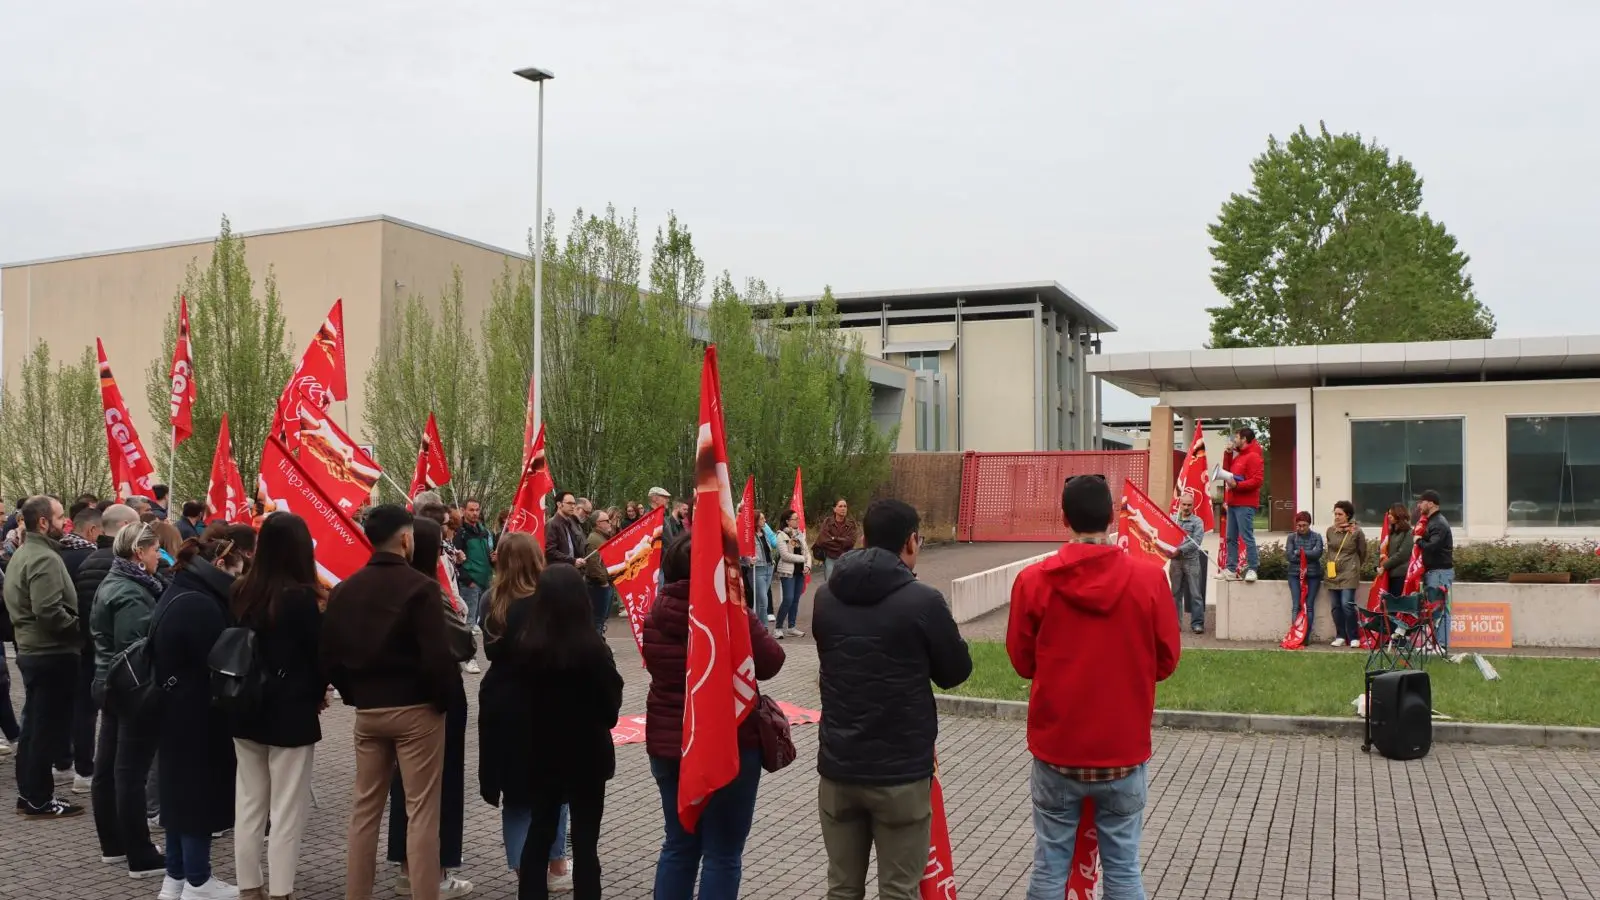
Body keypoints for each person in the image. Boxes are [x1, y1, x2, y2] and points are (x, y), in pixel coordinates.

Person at [1006, 474, 1181, 900]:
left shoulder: (1033, 582)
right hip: (1123, 751)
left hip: (1057, 750)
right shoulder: (1149, 580)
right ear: (1111, 517)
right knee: (1123, 870)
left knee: (1050, 866)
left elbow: (1022, 662)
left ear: (1063, 517)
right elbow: (1166, 661)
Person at [813, 499, 970, 900]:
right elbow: (955, 673)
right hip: (900, 774)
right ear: (912, 542)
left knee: (842, 889)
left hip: (839, 767)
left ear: (863, 539)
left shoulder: (825, 599)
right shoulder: (923, 602)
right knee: (900, 891)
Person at [322, 505, 462, 900]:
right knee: (421, 813)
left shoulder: (346, 589)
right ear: (405, 538)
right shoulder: (420, 588)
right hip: (416, 710)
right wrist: (441, 700)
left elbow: (329, 654)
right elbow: (437, 655)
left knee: (365, 811)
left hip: (369, 711)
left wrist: (355, 694)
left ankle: (357, 894)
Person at [644, 533, 785, 900]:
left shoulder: (656, 614)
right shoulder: (732, 614)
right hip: (730, 744)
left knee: (678, 844)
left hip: (669, 743)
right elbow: (771, 661)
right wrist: (745, 615)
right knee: (722, 853)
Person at [481, 564, 622, 900]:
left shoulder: (526, 650)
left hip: (540, 754)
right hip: (588, 756)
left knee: (539, 833)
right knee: (586, 844)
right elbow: (611, 709)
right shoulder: (594, 651)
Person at [229, 514, 327, 900]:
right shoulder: (302, 598)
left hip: (246, 707)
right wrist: (318, 691)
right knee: (287, 810)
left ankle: (248, 887)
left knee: (249, 805)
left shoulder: (240, 591)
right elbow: (317, 657)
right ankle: (281, 890)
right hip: (290, 711)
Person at [152, 534, 249, 900]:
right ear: (221, 565)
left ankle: (177, 876)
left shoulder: (179, 590)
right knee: (197, 796)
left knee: (178, 795)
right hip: (197, 713)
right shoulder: (202, 604)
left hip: (175, 708)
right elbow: (220, 661)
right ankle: (197, 879)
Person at [384, 517, 475, 899]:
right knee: (438, 788)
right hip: (434, 698)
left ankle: (407, 867)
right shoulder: (425, 590)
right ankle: (433, 872)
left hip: (392, 696)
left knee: (403, 786)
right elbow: (462, 643)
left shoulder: (385, 586)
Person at [479, 533, 573, 895]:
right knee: (555, 788)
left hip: (503, 701)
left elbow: (489, 652)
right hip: (545, 701)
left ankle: (523, 873)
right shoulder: (548, 599)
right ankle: (557, 864)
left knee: (516, 796)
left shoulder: (491, 600)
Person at [89, 520, 167, 877]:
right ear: (139, 553)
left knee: (108, 766)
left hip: (110, 683)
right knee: (129, 771)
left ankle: (115, 844)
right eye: (154, 550)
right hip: (130, 688)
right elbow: (137, 650)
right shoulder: (133, 593)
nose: (157, 556)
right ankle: (139, 852)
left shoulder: (116, 582)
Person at [4, 495, 86, 819]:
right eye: (60, 517)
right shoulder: (43, 558)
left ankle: (31, 794)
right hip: (50, 654)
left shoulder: (27, 553)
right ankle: (39, 797)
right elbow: (48, 611)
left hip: (37, 652)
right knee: (44, 730)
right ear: (43, 522)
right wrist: (79, 632)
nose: (65, 523)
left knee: (35, 728)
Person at [58, 506, 104, 793]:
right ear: (91, 531)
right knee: (85, 710)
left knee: (64, 706)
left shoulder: (56, 554)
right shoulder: (91, 558)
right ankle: (84, 770)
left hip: (58, 643)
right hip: (85, 644)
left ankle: (62, 761)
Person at [1218, 428, 1265, 582]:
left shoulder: (1253, 456)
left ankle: (1252, 568)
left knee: (1246, 536)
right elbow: (1226, 472)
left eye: (1236, 437)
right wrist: (1228, 454)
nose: (1234, 440)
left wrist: (1237, 486)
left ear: (1244, 439)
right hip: (1233, 502)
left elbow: (1257, 481)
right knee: (1231, 538)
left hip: (1245, 503)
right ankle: (1231, 569)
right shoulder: (1239, 456)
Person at [1324, 501, 1369, 648]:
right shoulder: (1330, 531)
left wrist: (1355, 566)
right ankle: (1340, 635)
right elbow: (1330, 550)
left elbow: (1363, 552)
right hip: (1333, 572)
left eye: (1340, 514)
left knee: (1346, 604)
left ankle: (1353, 636)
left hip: (1349, 572)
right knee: (1336, 606)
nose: (1336, 517)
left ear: (1347, 515)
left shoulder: (1356, 531)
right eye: (1335, 514)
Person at [1414, 489, 1455, 649]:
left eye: (1422, 502)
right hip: (1434, 572)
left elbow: (1433, 546)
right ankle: (1436, 643)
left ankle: (1441, 644)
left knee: (1440, 608)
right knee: (1434, 609)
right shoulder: (1432, 521)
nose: (1419, 505)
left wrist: (1418, 541)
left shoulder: (1438, 523)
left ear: (1430, 503)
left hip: (1439, 572)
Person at [453, 499, 495, 631]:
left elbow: (486, 555)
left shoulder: (484, 532)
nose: (475, 513)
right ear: (463, 510)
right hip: (470, 584)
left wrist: (493, 558)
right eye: (471, 510)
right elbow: (455, 558)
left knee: (482, 624)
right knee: (468, 623)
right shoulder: (460, 533)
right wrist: (467, 580)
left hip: (485, 581)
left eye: (477, 510)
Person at [1169, 493, 1207, 635]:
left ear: (1193, 505)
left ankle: (1197, 624)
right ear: (1179, 503)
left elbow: (1196, 541)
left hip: (1192, 561)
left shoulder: (1197, 522)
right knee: (1175, 594)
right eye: (1184, 504)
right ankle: (1175, 624)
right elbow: (1166, 535)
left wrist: (1179, 549)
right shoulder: (1173, 520)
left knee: (1195, 593)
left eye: (1189, 505)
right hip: (1175, 562)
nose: (1186, 507)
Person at [1284, 512, 1324, 638]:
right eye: (1299, 525)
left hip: (1313, 575)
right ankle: (1296, 635)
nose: (1301, 528)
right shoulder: (1291, 537)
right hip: (1294, 574)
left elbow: (1317, 553)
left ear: (1309, 524)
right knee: (1297, 605)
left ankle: (1306, 636)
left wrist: (1299, 553)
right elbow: (1289, 556)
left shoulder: (1317, 537)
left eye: (1304, 525)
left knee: (1309, 605)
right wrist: (1307, 555)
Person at [774, 510, 809, 638]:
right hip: (787, 572)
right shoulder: (781, 536)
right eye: (795, 519)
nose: (797, 521)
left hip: (800, 572)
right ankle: (778, 627)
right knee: (788, 599)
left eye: (797, 519)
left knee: (795, 600)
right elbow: (785, 555)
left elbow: (806, 552)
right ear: (787, 521)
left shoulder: (800, 534)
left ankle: (791, 627)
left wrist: (808, 565)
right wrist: (802, 559)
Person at [582, 507, 617, 631]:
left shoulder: (601, 537)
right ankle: (596, 645)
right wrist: (604, 582)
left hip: (605, 583)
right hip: (598, 586)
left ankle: (599, 641)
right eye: (606, 520)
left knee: (602, 619)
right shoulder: (593, 540)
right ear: (598, 523)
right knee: (597, 619)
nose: (610, 523)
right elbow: (594, 564)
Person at [814, 498, 859, 581]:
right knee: (830, 586)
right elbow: (823, 540)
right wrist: (841, 544)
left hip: (846, 559)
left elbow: (851, 542)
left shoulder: (851, 524)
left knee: (845, 586)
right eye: (840, 506)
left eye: (845, 506)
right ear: (834, 509)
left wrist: (835, 538)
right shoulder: (827, 522)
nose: (843, 508)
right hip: (830, 558)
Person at [749, 511, 778, 629]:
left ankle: (755, 625)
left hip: (768, 567)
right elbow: (741, 552)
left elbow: (774, 544)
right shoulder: (749, 536)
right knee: (763, 600)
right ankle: (764, 627)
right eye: (762, 519)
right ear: (755, 521)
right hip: (758, 569)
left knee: (760, 600)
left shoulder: (765, 533)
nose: (764, 520)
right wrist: (748, 560)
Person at [544, 491, 587, 570]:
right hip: (557, 571)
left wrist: (578, 560)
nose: (573, 506)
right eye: (569, 503)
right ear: (559, 504)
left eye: (574, 504)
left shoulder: (568, 523)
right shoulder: (552, 524)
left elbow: (572, 548)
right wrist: (573, 561)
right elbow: (550, 551)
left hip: (570, 569)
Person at [1378, 503, 1414, 595]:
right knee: (1387, 606)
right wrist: (1378, 566)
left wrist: (1384, 566)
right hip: (1387, 575)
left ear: (1399, 514)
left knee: (1395, 605)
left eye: (1391, 513)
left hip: (1399, 575)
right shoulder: (1391, 533)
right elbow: (1382, 550)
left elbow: (1402, 555)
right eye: (1388, 513)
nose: (1388, 516)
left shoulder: (1408, 532)